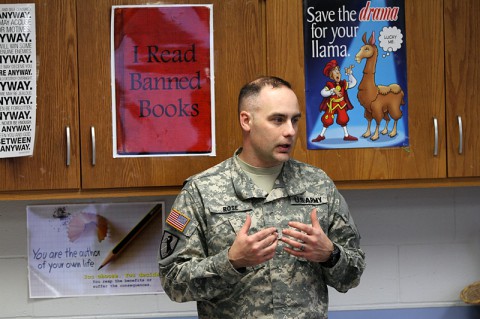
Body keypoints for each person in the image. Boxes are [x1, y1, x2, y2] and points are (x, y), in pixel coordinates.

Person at [158, 76, 366, 319]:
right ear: (246, 120)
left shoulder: (318, 185)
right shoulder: (200, 191)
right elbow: (173, 281)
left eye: (294, 120)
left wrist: (330, 254)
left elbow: (353, 274)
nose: (290, 131)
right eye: (278, 120)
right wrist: (231, 262)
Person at [311, 59, 358, 142]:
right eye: (336, 72)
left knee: (343, 118)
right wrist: (332, 91)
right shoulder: (330, 85)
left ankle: (346, 135)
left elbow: (353, 83)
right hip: (331, 105)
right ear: (331, 76)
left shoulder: (343, 84)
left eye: (339, 72)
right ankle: (321, 135)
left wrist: (350, 74)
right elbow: (323, 93)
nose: (338, 74)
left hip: (341, 104)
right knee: (327, 119)